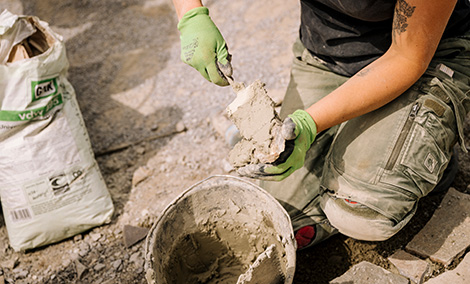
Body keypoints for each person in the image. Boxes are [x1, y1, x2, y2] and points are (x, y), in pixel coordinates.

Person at [172, 0, 470, 249]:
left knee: (360, 211)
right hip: (329, 54)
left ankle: (431, 156)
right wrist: (191, 15)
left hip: (428, 54)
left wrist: (309, 124)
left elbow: (407, 57)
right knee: (282, 222)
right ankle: (363, 136)